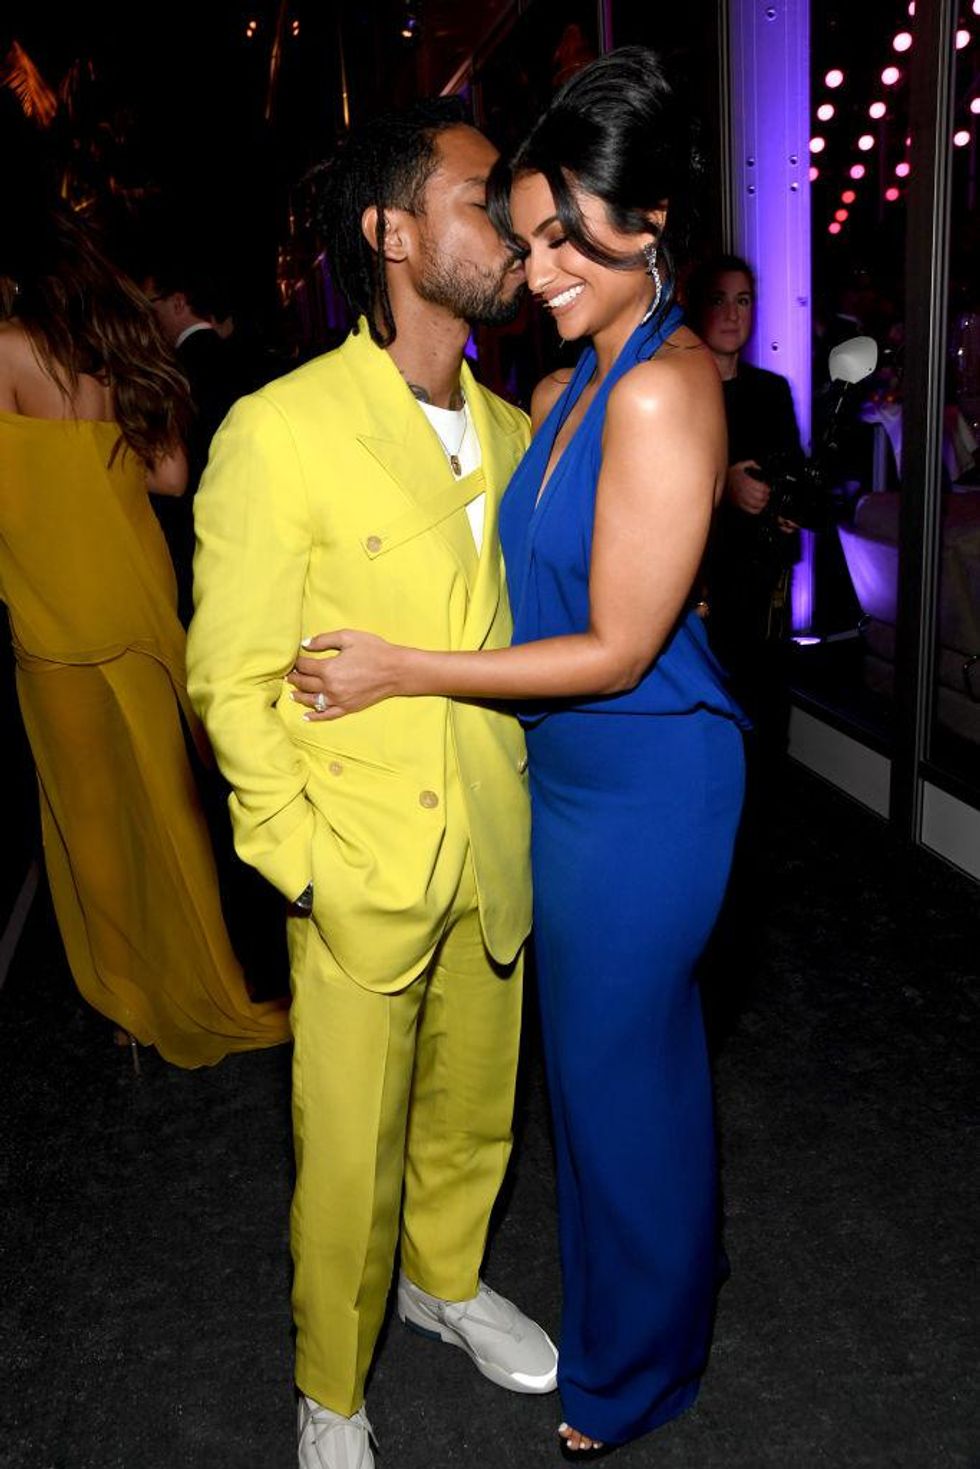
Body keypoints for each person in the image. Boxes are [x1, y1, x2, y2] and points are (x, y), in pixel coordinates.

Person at [287, 49, 747, 1458]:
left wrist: (401, 668)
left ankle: (633, 1371)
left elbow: (611, 649)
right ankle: (658, 1308)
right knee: (622, 1077)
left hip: (647, 783)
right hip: (571, 778)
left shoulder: (660, 389)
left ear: (649, 220)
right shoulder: (568, 387)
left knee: (614, 1085)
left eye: (566, 239)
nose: (535, 269)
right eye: (528, 236)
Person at [185, 98, 558, 1469]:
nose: (511, 228)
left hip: (493, 843)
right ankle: (330, 1388)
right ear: (393, 232)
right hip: (357, 858)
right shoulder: (280, 427)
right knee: (345, 1158)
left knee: (475, 1109)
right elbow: (228, 676)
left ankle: (444, 1280)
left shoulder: (516, 430)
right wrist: (300, 859)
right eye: (480, 198)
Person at [0, 204, 289, 1067]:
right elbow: (171, 477)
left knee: (93, 823)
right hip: (138, 606)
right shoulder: (111, 352)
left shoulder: (6, 349)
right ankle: (214, 983)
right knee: (172, 814)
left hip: (57, 623)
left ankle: (129, 1006)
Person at [686, 253, 804, 756]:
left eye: (744, 300)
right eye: (719, 300)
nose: (733, 314)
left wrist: (788, 506)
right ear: (697, 308)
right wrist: (724, 486)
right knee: (713, 725)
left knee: (767, 721)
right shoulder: (676, 391)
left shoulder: (771, 390)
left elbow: (793, 472)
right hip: (702, 586)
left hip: (764, 588)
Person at [143, 259, 252, 624]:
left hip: (200, 530)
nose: (148, 317)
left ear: (177, 302)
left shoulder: (168, 372)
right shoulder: (247, 356)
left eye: (151, 305)